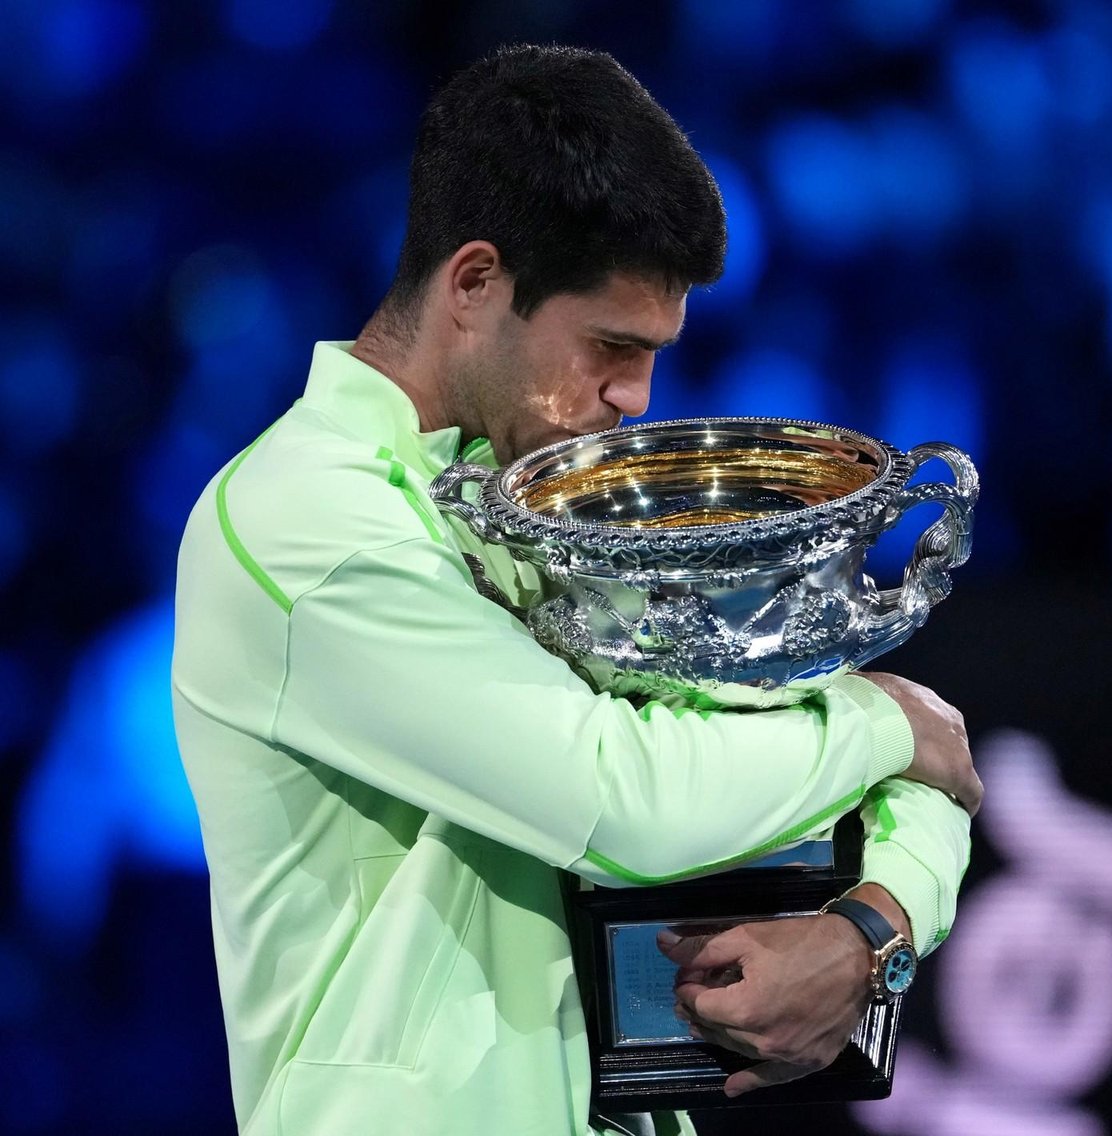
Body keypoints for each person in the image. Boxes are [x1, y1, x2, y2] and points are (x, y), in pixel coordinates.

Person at [172, 43, 979, 1136]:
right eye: (609, 345)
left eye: (653, 354)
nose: (633, 397)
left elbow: (898, 765)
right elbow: (628, 803)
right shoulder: (302, 521)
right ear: (474, 283)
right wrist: (884, 716)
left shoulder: (548, 505)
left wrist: (875, 925)